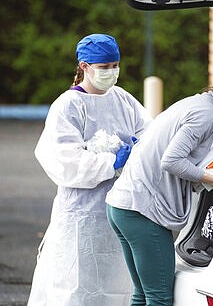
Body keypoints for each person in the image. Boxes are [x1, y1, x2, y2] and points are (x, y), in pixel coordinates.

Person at [106, 60, 213, 305]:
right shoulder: (206, 114)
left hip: (123, 206)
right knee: (159, 298)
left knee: (143, 295)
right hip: (141, 211)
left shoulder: (195, 103)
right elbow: (170, 160)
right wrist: (210, 177)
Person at [28, 34, 152, 306]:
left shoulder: (122, 99)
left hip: (119, 207)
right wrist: (110, 162)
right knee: (75, 284)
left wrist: (139, 149)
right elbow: (62, 159)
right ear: (84, 66)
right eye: (104, 67)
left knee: (117, 282)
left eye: (115, 65)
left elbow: (148, 133)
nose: (111, 72)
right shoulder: (68, 105)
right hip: (81, 214)